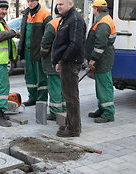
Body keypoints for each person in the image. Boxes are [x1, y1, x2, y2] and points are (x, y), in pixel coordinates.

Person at [52, 0, 86, 137]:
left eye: (61, 4)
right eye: (58, 4)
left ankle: (73, 129)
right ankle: (73, 124)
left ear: (70, 4)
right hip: (66, 62)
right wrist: (59, 60)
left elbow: (75, 44)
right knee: (69, 95)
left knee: (71, 96)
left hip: (71, 63)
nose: (58, 6)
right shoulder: (67, 18)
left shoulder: (75, 19)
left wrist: (64, 59)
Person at [86, 0, 116, 123]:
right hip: (103, 59)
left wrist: (93, 59)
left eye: (93, 8)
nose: (93, 10)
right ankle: (102, 109)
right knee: (101, 86)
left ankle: (108, 113)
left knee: (104, 86)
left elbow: (100, 44)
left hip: (102, 60)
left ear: (96, 9)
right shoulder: (104, 19)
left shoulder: (103, 22)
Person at [18, 0, 52, 107]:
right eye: (28, 1)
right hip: (28, 51)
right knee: (30, 76)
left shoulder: (45, 14)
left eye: (32, 1)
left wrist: (44, 50)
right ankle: (32, 97)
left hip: (39, 51)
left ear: (37, 1)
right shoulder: (25, 14)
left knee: (41, 77)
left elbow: (49, 33)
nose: (30, 3)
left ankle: (41, 100)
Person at [40, 6, 65, 121]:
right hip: (67, 61)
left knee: (54, 86)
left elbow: (45, 43)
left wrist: (42, 54)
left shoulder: (53, 24)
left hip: (53, 61)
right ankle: (64, 109)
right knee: (64, 86)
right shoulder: (70, 22)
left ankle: (55, 112)